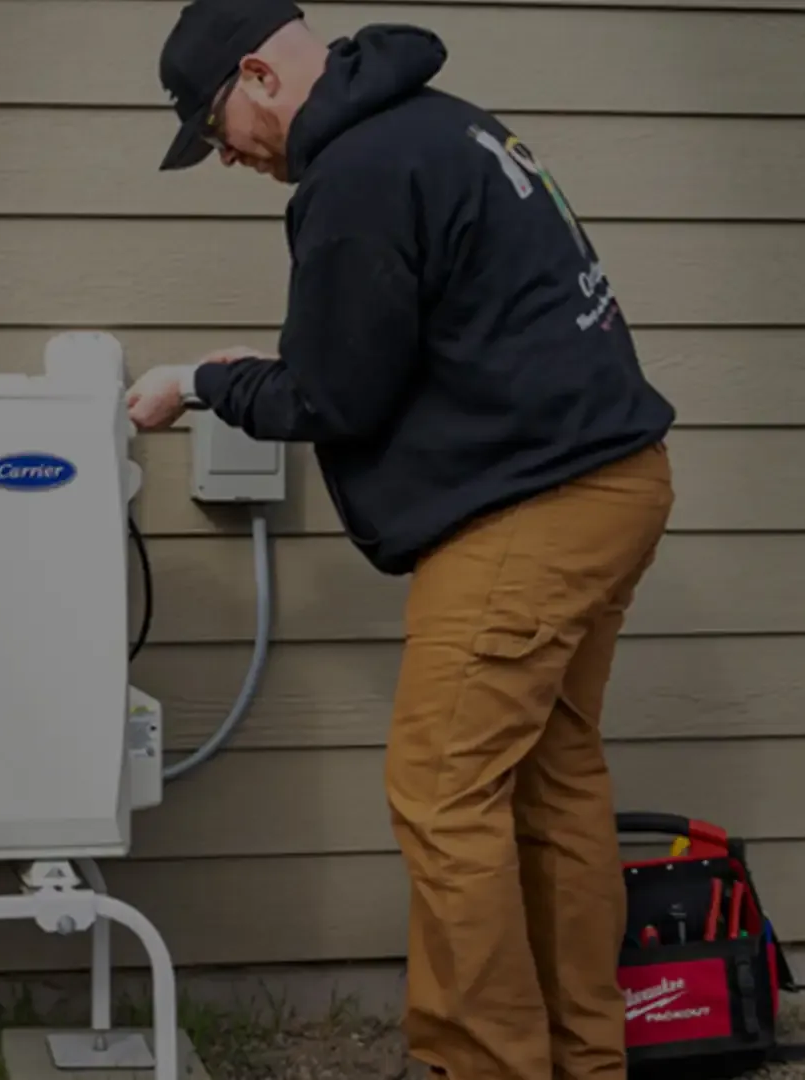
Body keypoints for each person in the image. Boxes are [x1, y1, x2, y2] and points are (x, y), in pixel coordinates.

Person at [124, 3, 678, 1079]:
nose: (229, 156)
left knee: (441, 791)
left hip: (534, 506)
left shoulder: (358, 175)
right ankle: (582, 1061)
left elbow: (341, 394)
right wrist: (263, 366)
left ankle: (484, 1066)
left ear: (259, 77)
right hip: (613, 478)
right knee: (552, 783)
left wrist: (199, 383)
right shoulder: (440, 124)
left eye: (216, 127)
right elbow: (420, 336)